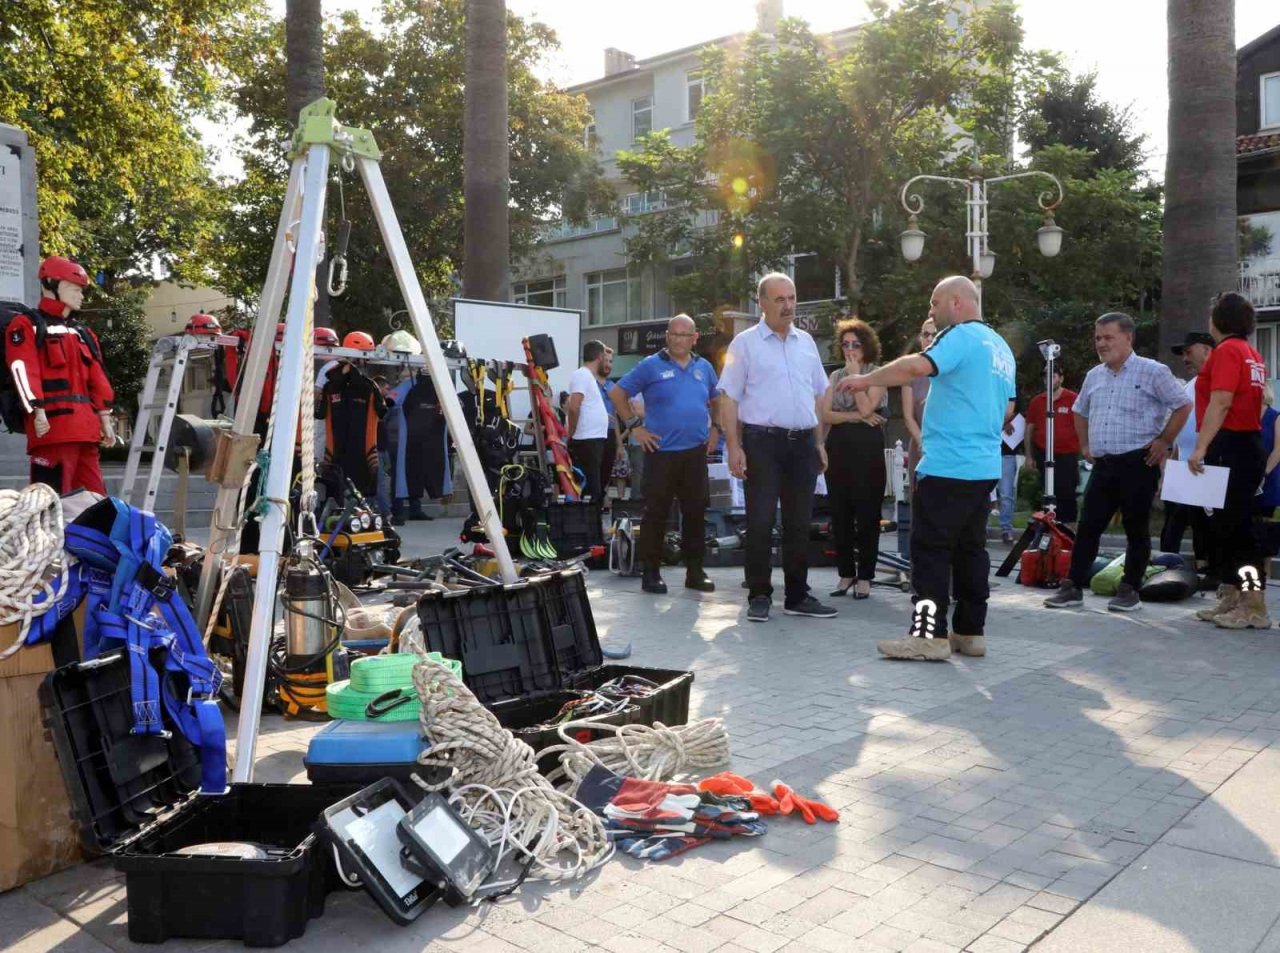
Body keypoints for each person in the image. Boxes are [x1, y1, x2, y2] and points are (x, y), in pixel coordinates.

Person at [838, 275, 1015, 661]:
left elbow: (916, 367)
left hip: (949, 465)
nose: (931, 312)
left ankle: (927, 635)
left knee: (930, 551)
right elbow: (1007, 409)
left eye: (935, 303)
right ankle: (970, 632)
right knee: (971, 551)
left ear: (956, 302)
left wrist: (866, 378)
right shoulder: (1001, 348)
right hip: (983, 465)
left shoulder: (961, 336)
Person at [1044, 312, 1191, 613]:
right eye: (1098, 338)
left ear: (1128, 338)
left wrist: (1164, 441)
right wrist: (1085, 444)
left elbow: (1182, 404)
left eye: (1108, 337)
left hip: (1138, 462)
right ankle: (1072, 586)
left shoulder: (1153, 371)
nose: (1101, 343)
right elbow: (1079, 410)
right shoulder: (1094, 375)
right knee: (1088, 527)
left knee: (1136, 529)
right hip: (1104, 464)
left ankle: (1129, 589)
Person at [719, 272, 837, 623]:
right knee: (760, 520)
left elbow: (818, 393)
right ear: (763, 303)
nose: (788, 306)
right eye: (780, 299)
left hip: (802, 443)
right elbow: (728, 398)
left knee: (800, 523)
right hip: (762, 443)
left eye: (792, 298)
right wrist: (734, 446)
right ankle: (759, 593)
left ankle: (797, 595)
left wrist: (819, 442)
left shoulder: (807, 343)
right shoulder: (744, 344)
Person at [612, 314, 720, 595]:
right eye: (673, 334)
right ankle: (651, 573)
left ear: (695, 337)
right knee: (655, 515)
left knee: (695, 514)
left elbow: (717, 397)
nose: (678, 339)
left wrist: (716, 428)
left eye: (685, 334)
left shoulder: (704, 367)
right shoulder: (651, 365)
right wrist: (636, 427)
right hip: (661, 453)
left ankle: (695, 572)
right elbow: (617, 393)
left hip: (695, 453)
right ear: (667, 336)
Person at [1187, 293, 1269, 629]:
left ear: (1219, 320)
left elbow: (1220, 402)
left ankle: (1255, 605)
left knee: (1240, 531)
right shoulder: (1251, 353)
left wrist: (1199, 448)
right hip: (1246, 443)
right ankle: (1233, 597)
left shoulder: (1226, 352)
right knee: (1228, 527)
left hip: (1232, 443)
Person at [6, 256, 115, 495]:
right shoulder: (25, 325)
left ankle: (90, 534)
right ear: (51, 286)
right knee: (51, 501)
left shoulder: (83, 332)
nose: (81, 295)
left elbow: (97, 377)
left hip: (86, 431)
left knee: (95, 501)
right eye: (74, 288)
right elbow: (23, 371)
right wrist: (37, 410)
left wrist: (105, 418)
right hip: (51, 430)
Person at [821, 318, 887, 600]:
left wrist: (857, 375)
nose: (850, 349)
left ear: (866, 346)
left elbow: (868, 406)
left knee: (867, 513)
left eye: (855, 345)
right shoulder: (834, 377)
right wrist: (855, 417)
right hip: (839, 446)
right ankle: (846, 573)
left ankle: (865, 576)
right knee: (841, 512)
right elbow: (826, 415)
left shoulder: (878, 374)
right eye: (845, 344)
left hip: (868, 448)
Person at [1160, 331, 1215, 566]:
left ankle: (1207, 566)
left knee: (1202, 521)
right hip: (1182, 464)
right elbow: (1181, 430)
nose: (1184, 358)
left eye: (1188, 351)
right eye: (1182, 353)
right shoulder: (1190, 386)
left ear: (1207, 350)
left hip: (1207, 466)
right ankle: (1166, 564)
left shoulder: (1219, 382)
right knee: (1174, 519)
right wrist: (1168, 468)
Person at [1024, 365, 1081, 526]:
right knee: (1048, 492)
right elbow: (1029, 429)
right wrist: (1029, 456)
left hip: (1066, 456)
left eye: (1053, 376)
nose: (1049, 380)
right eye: (1045, 377)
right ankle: (1049, 527)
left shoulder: (1073, 399)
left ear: (1061, 378)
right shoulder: (1037, 401)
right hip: (1043, 454)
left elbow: (1083, 424)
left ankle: (1068, 530)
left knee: (1067, 493)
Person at [566, 341, 612, 503]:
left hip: (594, 438)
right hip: (586, 439)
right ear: (599, 357)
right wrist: (570, 433)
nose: (606, 362)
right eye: (605, 358)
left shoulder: (588, 377)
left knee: (596, 485)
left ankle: (593, 521)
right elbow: (574, 407)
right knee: (592, 487)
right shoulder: (582, 375)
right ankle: (589, 523)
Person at [900, 318, 936, 493]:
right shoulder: (911, 372)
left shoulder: (952, 369)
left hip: (948, 449)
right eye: (925, 334)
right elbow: (908, 416)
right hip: (920, 447)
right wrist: (923, 444)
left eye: (934, 334)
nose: (929, 338)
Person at [994, 401, 1022, 543]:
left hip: (1007, 451)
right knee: (984, 492)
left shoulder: (1014, 393)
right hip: (987, 450)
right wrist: (1002, 423)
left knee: (1006, 494)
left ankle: (1006, 529)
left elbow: (1022, 415)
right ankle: (980, 528)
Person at [1261, 382, 1280, 517]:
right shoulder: (1244, 417)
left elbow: (1278, 450)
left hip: (1269, 476)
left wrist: (1264, 473)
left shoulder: (1276, 417)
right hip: (1246, 478)